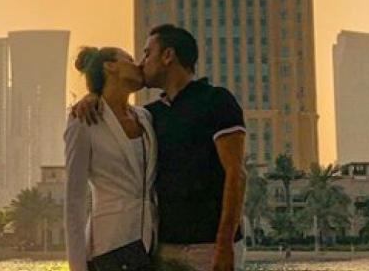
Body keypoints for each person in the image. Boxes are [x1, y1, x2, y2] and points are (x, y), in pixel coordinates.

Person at [73, 25, 247, 271]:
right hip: (161, 249)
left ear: (168, 56)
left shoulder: (216, 101)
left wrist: (224, 243)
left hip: (208, 248)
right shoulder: (150, 116)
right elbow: (117, 114)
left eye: (147, 54)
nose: (142, 63)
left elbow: (236, 174)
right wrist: (92, 97)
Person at [64, 46, 157, 271]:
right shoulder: (83, 121)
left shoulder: (146, 117)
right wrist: (77, 267)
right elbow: (74, 201)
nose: (139, 65)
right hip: (109, 246)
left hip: (150, 244)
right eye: (130, 60)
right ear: (110, 66)